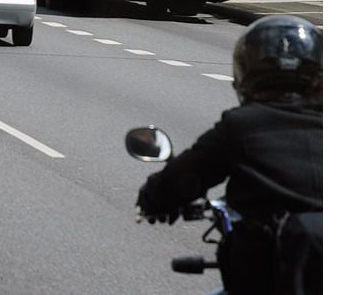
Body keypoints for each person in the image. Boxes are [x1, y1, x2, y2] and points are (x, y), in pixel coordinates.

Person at [136, 15, 322, 295]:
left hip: (266, 276)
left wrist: (154, 198)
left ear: (246, 77)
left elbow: (185, 176)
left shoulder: (242, 125)